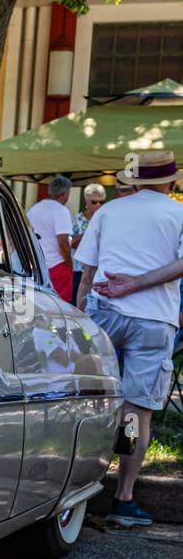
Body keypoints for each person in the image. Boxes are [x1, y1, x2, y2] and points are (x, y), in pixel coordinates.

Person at [74, 150, 183, 528]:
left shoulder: (108, 211)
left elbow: (86, 273)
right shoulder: (178, 212)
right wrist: (137, 284)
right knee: (137, 410)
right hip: (153, 319)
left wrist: (80, 315)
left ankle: (74, 489)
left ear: (134, 181)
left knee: (89, 400)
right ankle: (123, 498)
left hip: (104, 311)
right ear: (170, 182)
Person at [28, 175, 75, 301]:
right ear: (64, 194)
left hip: (38, 264)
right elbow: (63, 242)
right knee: (60, 306)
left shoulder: (34, 209)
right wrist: (70, 264)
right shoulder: (61, 211)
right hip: (57, 265)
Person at [71, 183, 105, 300]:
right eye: (94, 202)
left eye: (101, 202)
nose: (98, 205)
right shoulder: (77, 219)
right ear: (86, 202)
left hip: (99, 272)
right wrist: (90, 230)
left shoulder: (105, 220)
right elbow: (71, 242)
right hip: (79, 270)